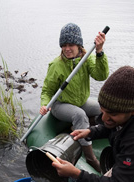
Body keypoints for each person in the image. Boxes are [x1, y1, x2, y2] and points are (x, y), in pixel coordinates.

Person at [40, 23, 109, 173]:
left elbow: (101, 75)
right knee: (79, 115)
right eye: (64, 45)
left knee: (103, 108)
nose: (67, 48)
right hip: (61, 105)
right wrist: (45, 104)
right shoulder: (56, 65)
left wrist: (99, 52)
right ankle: (91, 158)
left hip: (81, 102)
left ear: (79, 45)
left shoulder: (87, 59)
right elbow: (47, 90)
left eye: (71, 44)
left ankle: (82, 129)